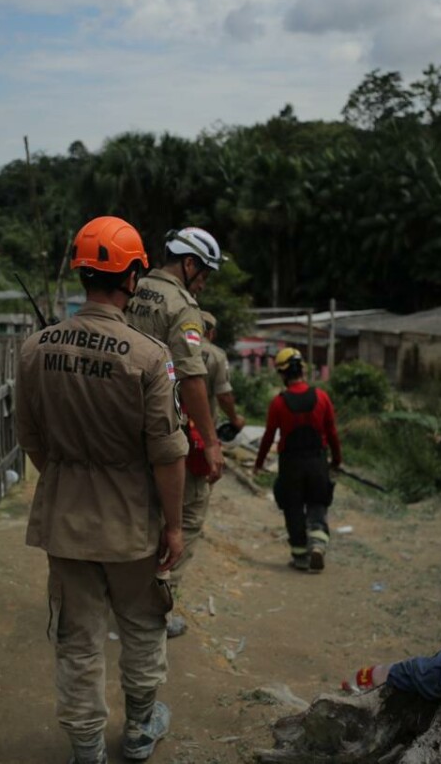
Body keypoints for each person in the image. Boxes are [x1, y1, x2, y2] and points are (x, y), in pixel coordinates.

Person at [16, 216, 188, 764]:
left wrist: (67, 480)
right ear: (133, 276)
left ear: (82, 272)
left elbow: (31, 439)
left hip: (65, 519)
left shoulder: (35, 348)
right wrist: (174, 526)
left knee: (78, 638)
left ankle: (87, 749)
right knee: (142, 625)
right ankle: (139, 729)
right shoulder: (149, 355)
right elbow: (167, 454)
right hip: (132, 522)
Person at [126, 227, 223, 638]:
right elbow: (191, 376)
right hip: (161, 430)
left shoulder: (132, 288)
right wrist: (212, 442)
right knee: (178, 522)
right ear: (188, 263)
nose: (203, 283)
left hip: (120, 426)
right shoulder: (182, 307)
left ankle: (125, 603)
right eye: (204, 274)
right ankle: (156, 613)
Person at [252, 348, 342, 573]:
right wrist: (336, 460)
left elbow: (269, 436)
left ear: (282, 374)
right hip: (317, 461)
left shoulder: (278, 403)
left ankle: (300, 557)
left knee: (292, 506)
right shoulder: (322, 397)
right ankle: (318, 544)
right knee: (318, 502)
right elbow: (332, 433)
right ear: (302, 369)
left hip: (290, 464)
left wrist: (259, 463)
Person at [199, 310, 245, 438]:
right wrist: (235, 419)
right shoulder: (216, 355)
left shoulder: (173, 349)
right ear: (211, 332)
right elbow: (224, 396)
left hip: (174, 426)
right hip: (203, 430)